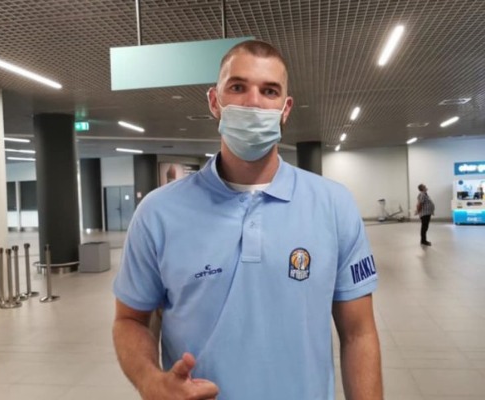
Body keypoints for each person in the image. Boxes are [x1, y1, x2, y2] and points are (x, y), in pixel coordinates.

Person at [112, 40, 383, 400]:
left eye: (269, 91)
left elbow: (358, 334)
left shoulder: (333, 205)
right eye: (238, 87)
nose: (253, 102)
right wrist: (150, 381)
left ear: (285, 109)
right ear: (215, 101)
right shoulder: (158, 213)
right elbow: (129, 320)